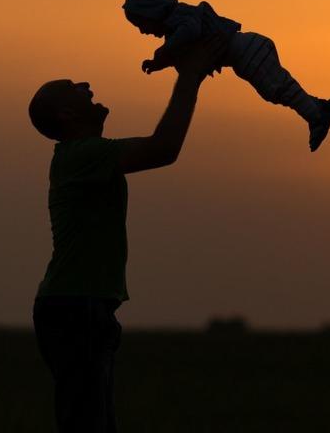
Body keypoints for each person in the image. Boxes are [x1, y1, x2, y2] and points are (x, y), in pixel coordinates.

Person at [28, 34, 226, 433]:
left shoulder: (84, 157)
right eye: (75, 89)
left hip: (79, 307)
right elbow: (165, 148)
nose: (86, 87)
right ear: (67, 115)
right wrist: (189, 76)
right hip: (76, 307)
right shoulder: (84, 155)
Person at [123, 0, 330, 152]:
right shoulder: (175, 30)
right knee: (274, 90)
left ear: (153, 9)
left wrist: (163, 52)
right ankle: (318, 105)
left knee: (277, 88)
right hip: (248, 52)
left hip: (247, 51)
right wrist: (160, 62)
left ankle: (316, 117)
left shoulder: (182, 16)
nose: (143, 31)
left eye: (142, 23)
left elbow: (190, 32)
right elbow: (182, 51)